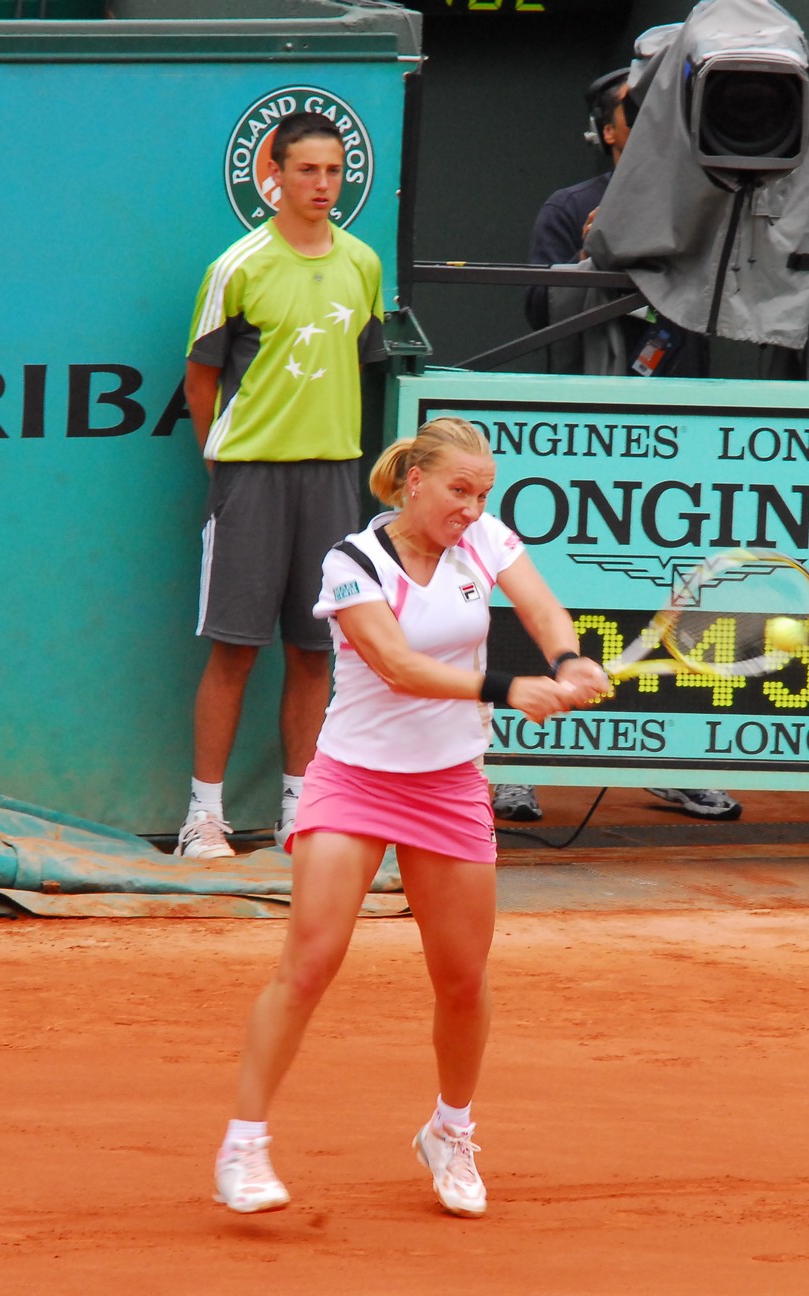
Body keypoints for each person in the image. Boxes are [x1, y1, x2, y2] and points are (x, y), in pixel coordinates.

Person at [213, 416, 611, 1218]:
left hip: (449, 785)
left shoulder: (483, 540)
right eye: (459, 491)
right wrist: (507, 689)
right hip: (354, 780)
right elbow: (395, 665)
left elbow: (541, 608)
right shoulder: (352, 561)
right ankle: (243, 1145)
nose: (472, 508)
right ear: (414, 481)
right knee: (309, 963)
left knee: (462, 981)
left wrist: (568, 659)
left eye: (483, 494)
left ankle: (450, 1131)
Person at [494, 69, 738, 828]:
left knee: (677, 599)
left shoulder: (709, 204)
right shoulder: (568, 207)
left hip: (681, 440)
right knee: (556, 597)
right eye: (640, 111)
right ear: (610, 131)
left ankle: (675, 763)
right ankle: (519, 768)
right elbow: (539, 308)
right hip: (583, 443)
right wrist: (592, 254)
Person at [180, 110, 389, 860]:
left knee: (314, 652)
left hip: (333, 479)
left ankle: (301, 812)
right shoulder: (237, 267)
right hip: (251, 479)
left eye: (334, 171)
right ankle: (203, 818)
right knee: (234, 652)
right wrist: (223, 461)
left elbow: (363, 361)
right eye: (307, 170)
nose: (323, 184)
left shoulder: (363, 264)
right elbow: (200, 378)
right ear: (275, 174)